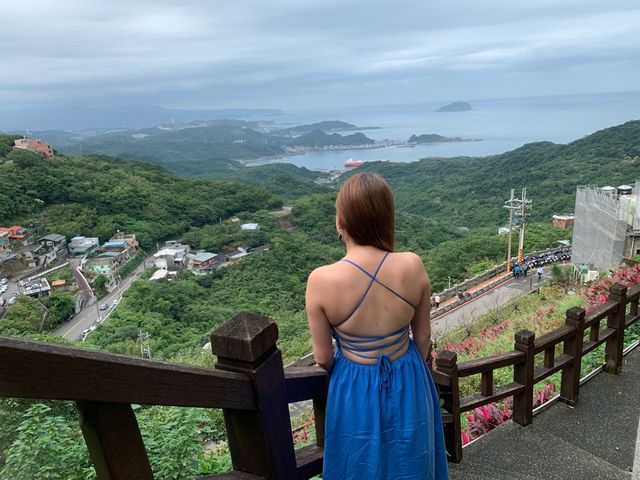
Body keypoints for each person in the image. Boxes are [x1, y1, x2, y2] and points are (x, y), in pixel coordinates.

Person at [306, 172, 449, 480]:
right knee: (412, 459)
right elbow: (422, 337)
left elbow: (322, 358)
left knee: (358, 464)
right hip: (408, 374)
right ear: (386, 218)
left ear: (341, 222)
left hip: (353, 383)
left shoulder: (321, 280)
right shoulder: (412, 264)